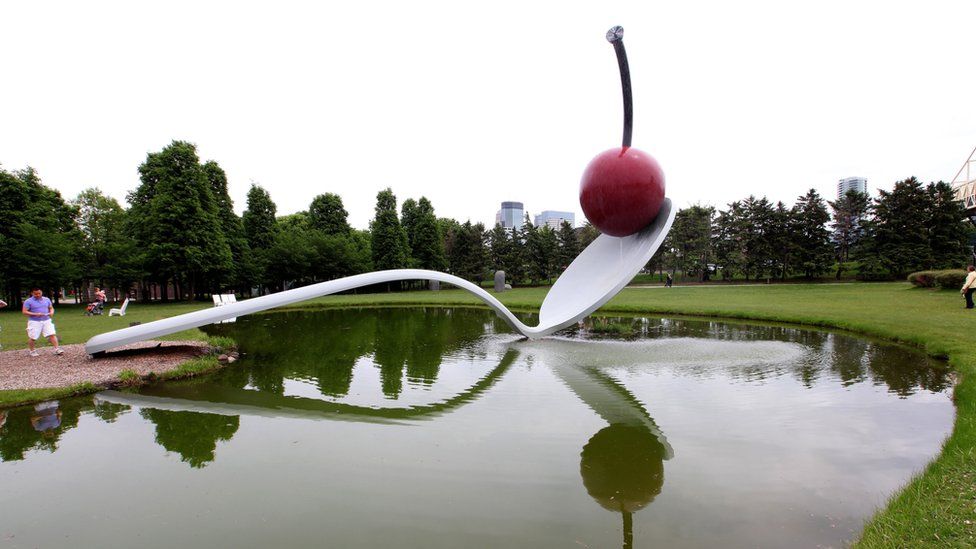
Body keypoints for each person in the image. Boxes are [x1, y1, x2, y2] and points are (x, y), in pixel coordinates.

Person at [22, 288, 63, 357]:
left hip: (46, 320)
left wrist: (51, 312)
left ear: (41, 292)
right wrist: (35, 314)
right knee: (33, 337)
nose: (38, 295)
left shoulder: (46, 299)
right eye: (36, 294)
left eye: (39, 293)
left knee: (52, 334)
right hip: (34, 321)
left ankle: (57, 349)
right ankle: (32, 351)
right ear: (32, 293)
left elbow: (51, 307)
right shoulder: (28, 301)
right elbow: (24, 311)